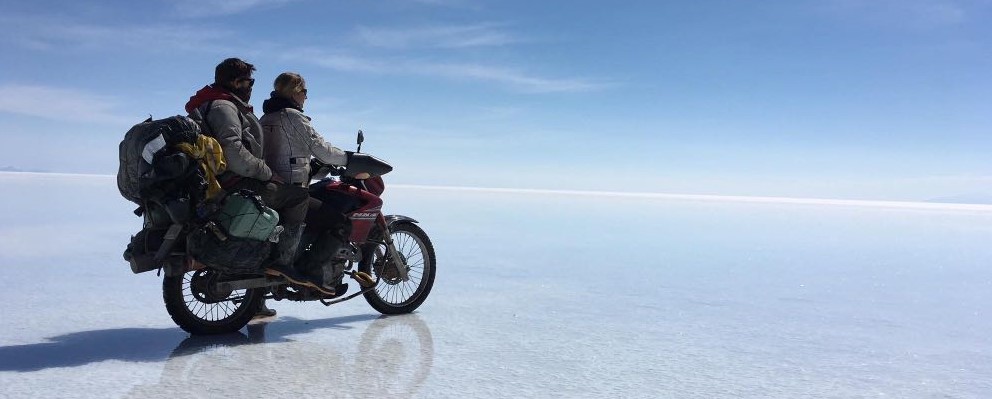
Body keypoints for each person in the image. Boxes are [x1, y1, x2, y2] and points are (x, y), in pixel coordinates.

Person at [183, 58, 316, 315]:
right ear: (236, 82)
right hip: (238, 183)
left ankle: (257, 298)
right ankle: (284, 262)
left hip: (225, 181)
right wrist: (267, 173)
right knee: (298, 198)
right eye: (249, 82)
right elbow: (234, 152)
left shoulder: (209, 102)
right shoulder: (224, 106)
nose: (251, 87)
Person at [259, 72, 351, 295]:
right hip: (291, 191)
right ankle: (310, 270)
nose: (306, 97)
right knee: (342, 224)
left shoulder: (266, 118)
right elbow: (320, 148)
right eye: (304, 91)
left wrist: (313, 167)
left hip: (273, 188)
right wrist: (350, 159)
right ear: (294, 91)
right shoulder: (292, 116)